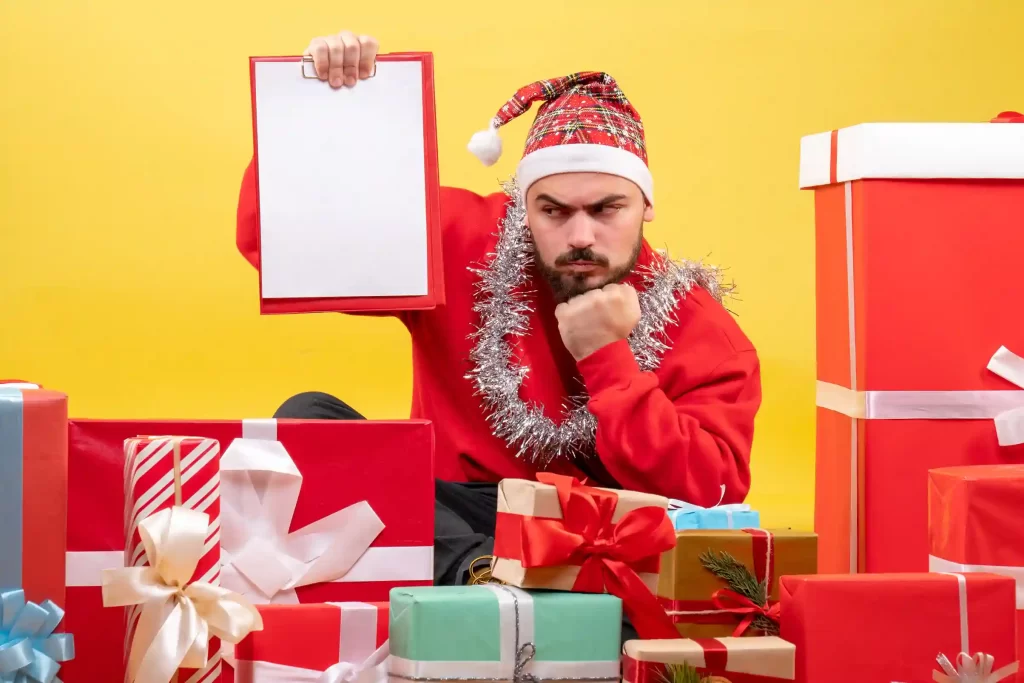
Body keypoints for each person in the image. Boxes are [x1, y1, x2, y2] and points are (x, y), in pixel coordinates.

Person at [235, 31, 762, 590]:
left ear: (647, 203)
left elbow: (712, 495)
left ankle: (503, 586)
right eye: (553, 210)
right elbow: (284, 246)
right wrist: (322, 105)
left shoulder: (700, 328)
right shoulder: (464, 242)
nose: (580, 236)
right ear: (522, 202)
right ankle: (480, 576)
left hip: (595, 539)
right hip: (450, 515)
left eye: (607, 208)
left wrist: (608, 358)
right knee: (307, 419)